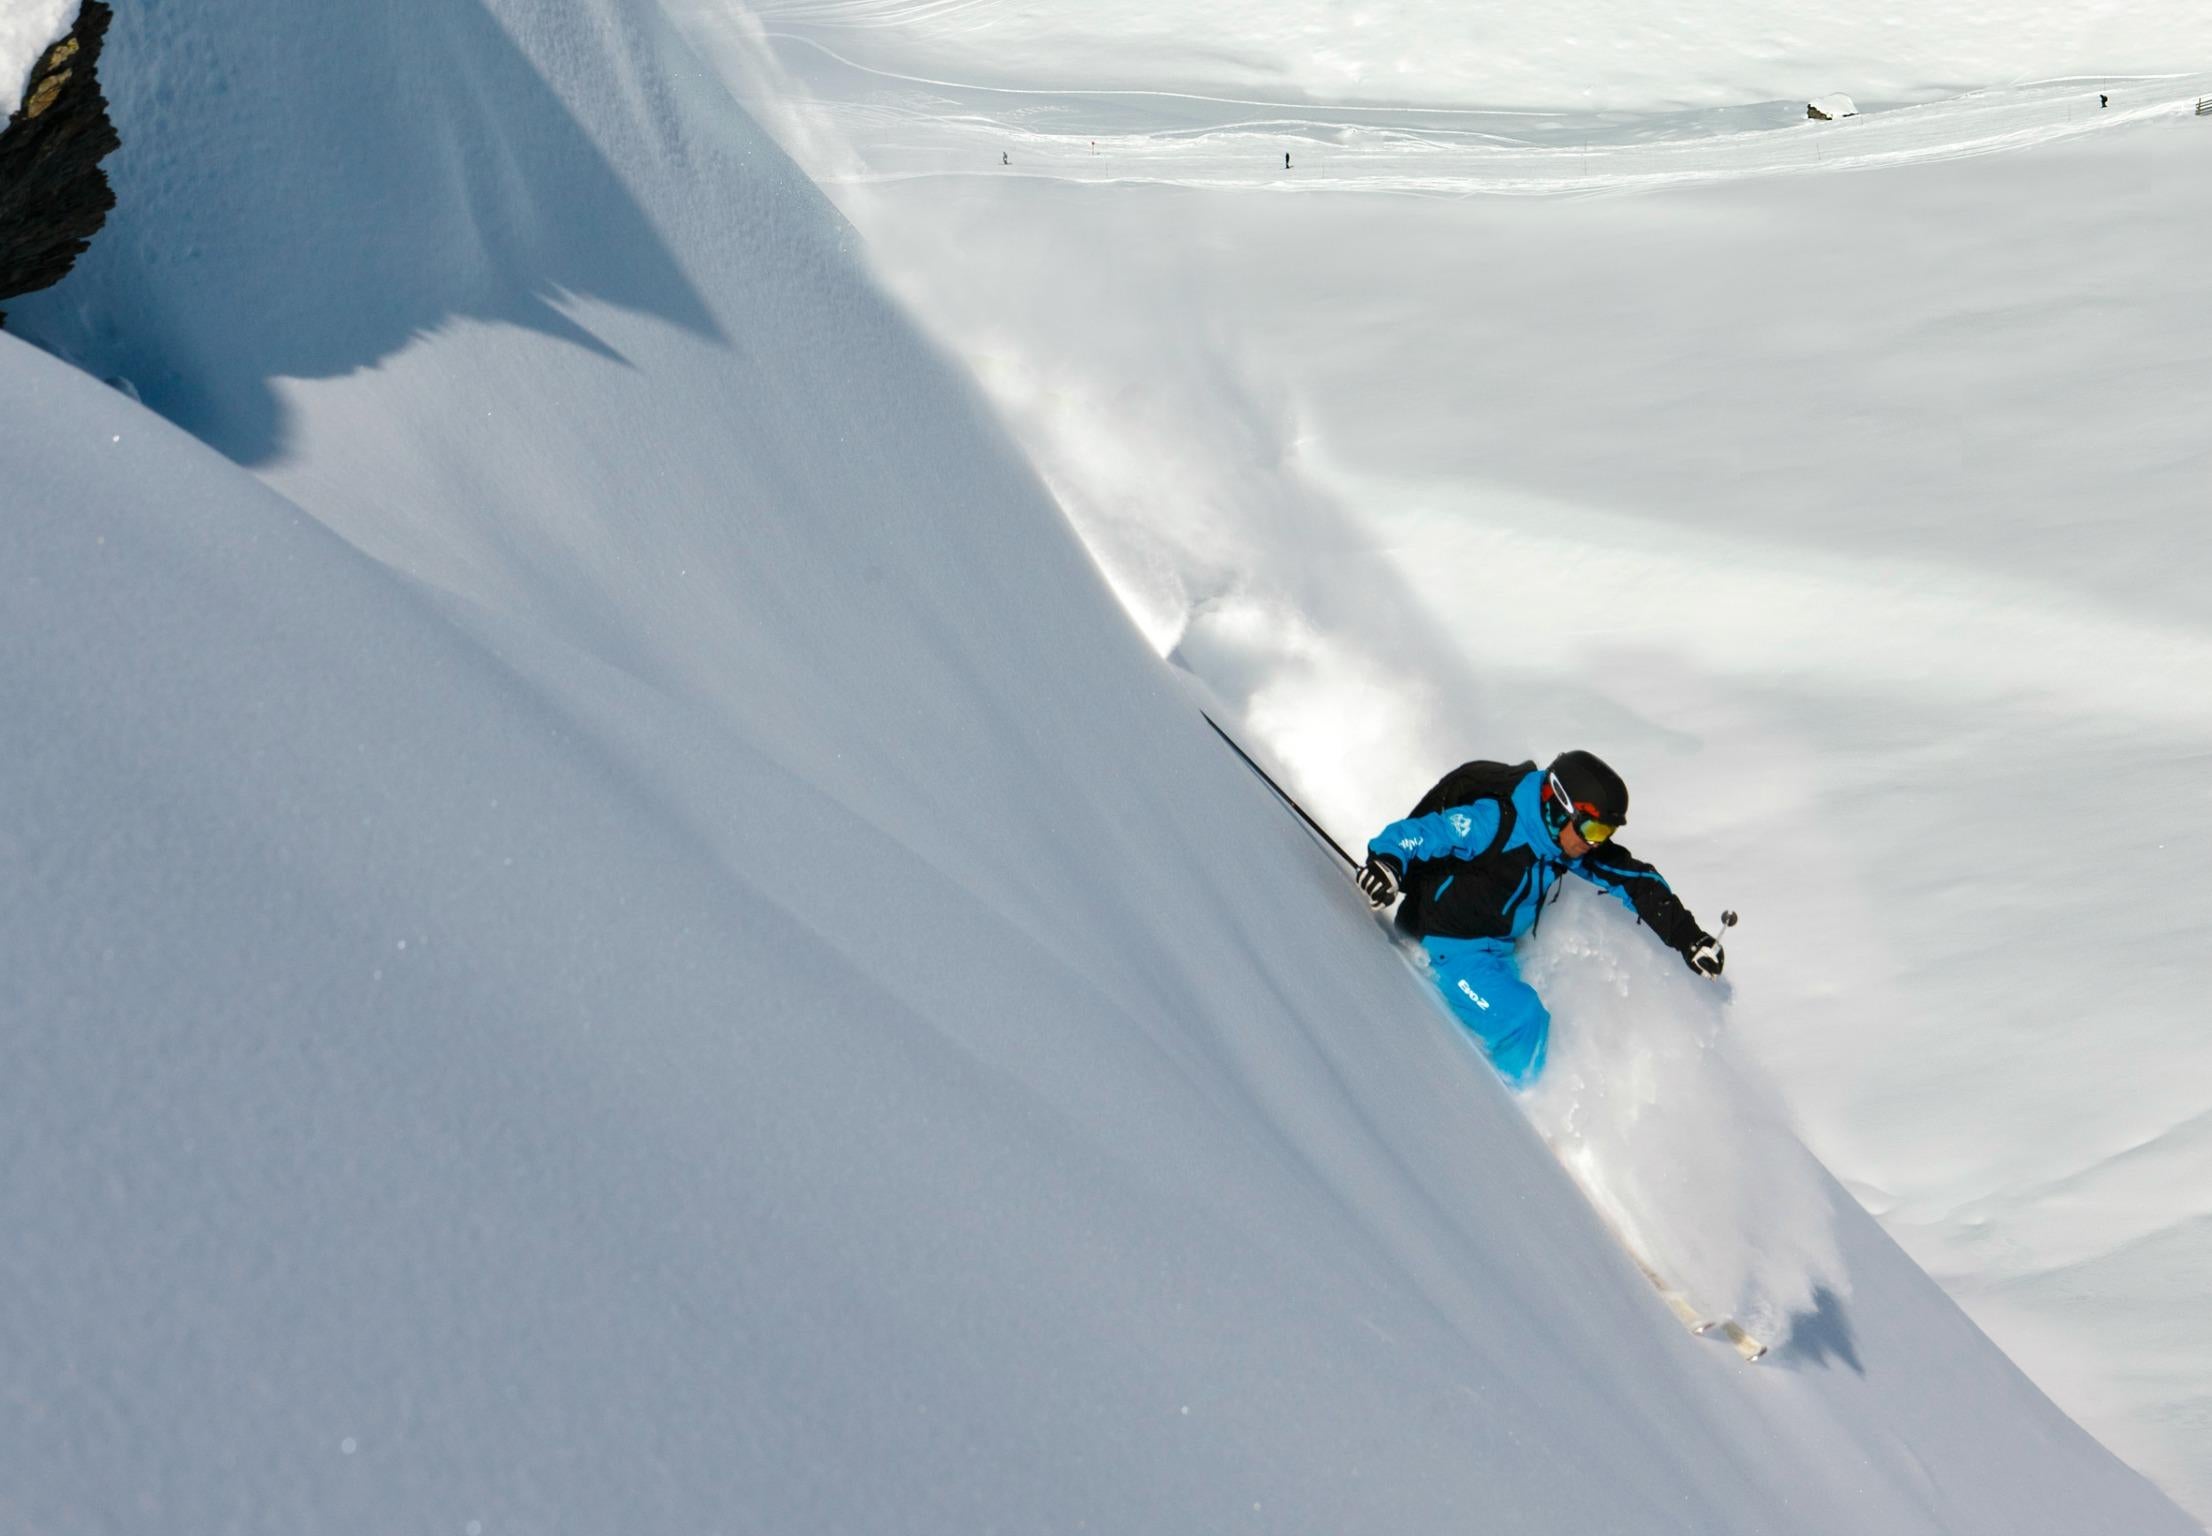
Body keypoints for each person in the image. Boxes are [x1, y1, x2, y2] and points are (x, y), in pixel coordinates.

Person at [1357, 750, 1724, 1086]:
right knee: (1523, 1020)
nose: (1595, 843)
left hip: (1497, 950)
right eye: (1594, 829)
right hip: (1446, 947)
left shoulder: (1568, 843)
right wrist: (1386, 863)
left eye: (1606, 833)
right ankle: (1509, 1113)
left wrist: (1689, 938)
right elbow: (1424, 833)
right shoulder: (1495, 821)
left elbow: (1638, 882)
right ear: (1559, 806)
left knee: (1562, 1013)